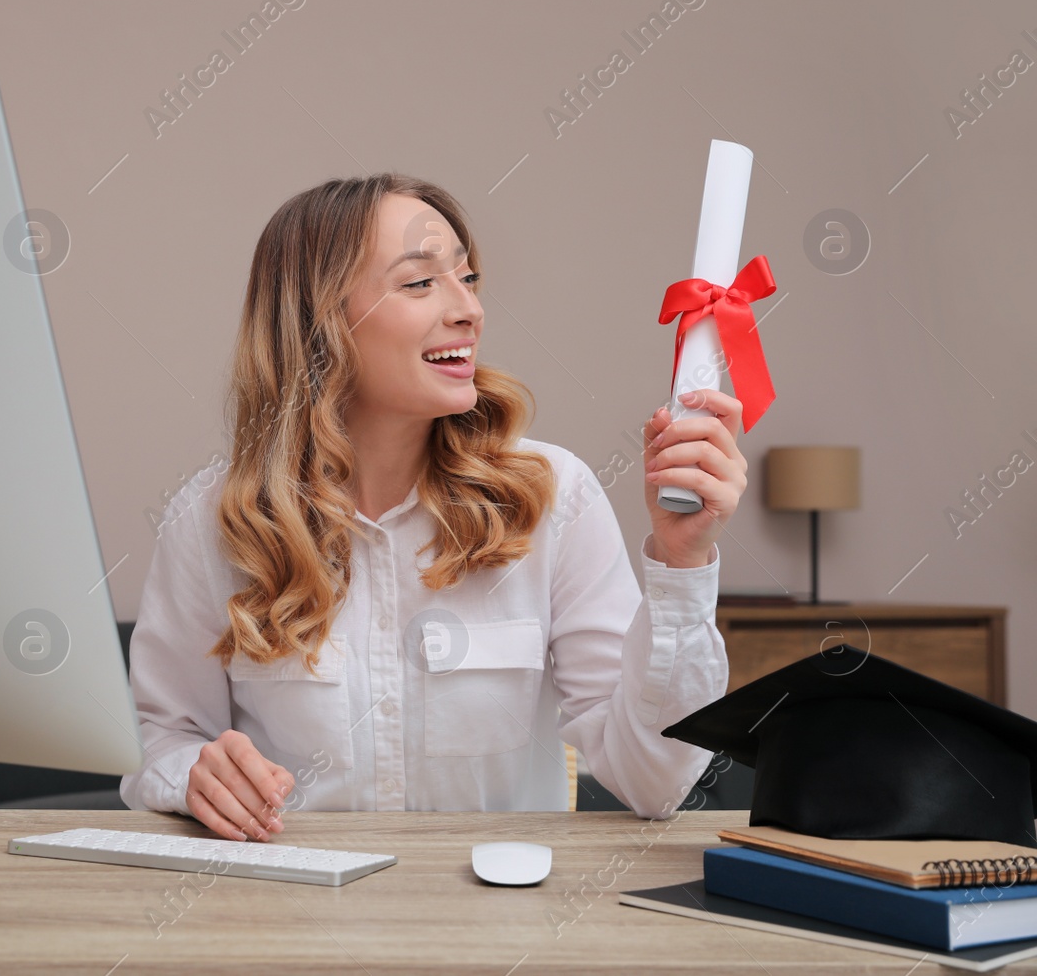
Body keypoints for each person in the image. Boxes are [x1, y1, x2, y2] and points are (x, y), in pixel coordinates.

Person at [119, 173, 745, 842]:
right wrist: (193, 773)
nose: (468, 309)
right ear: (319, 323)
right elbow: (164, 739)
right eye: (420, 283)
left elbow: (653, 780)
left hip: (496, 932)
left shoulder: (555, 498)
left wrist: (683, 561)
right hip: (288, 921)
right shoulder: (213, 519)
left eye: (467, 279)